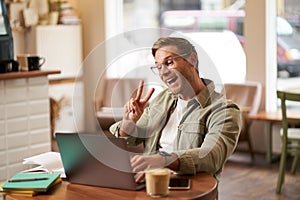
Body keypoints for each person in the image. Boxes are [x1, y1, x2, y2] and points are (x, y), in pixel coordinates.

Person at [109, 37, 242, 182]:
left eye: (169, 62)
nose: (163, 72)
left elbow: (212, 156)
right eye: (159, 67)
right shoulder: (162, 99)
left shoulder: (224, 110)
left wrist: (164, 159)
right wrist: (128, 123)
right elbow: (130, 139)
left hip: (191, 190)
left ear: (192, 59)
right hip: (150, 184)